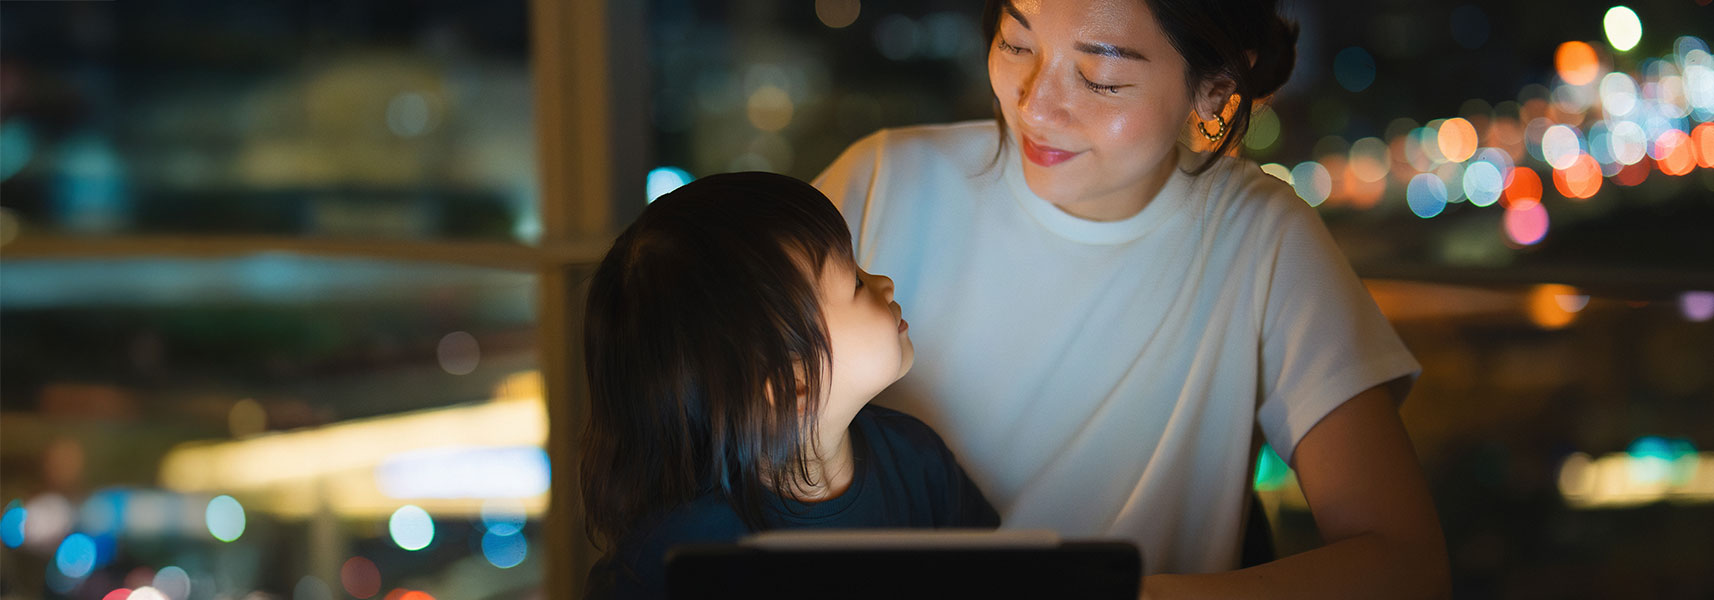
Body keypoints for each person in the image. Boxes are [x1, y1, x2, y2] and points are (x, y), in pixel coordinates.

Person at [812, 0, 1449, 597]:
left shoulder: (1258, 237)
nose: (1036, 104)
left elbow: (1404, 563)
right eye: (1015, 44)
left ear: (1213, 92)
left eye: (1100, 79)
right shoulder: (886, 181)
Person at [578, 172, 1001, 599]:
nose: (884, 282)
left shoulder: (918, 461)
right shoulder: (682, 554)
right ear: (791, 386)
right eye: (854, 283)